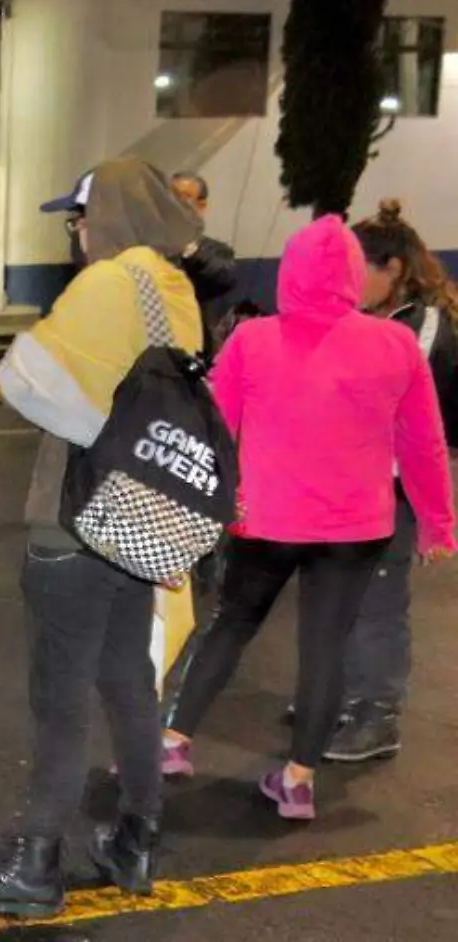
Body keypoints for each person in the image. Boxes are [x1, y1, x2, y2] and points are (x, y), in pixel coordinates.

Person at [0, 159, 204, 918]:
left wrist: (93, 429)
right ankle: (137, 837)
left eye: (80, 218)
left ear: (109, 215)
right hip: (142, 519)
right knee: (126, 678)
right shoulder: (175, 289)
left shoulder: (107, 284)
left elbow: (24, 378)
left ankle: (35, 862)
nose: (78, 233)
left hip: (78, 515)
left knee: (59, 699)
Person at [159, 215, 456, 820]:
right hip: (356, 528)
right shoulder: (394, 343)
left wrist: (192, 512)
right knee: (325, 647)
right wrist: (437, 523)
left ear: (289, 271)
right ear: (351, 275)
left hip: (266, 518)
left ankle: (172, 741)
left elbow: (215, 431)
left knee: (231, 624)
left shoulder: (253, 339)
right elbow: (422, 442)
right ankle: (298, 781)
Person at [325, 200, 458, 763]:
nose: (348, 285)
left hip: (394, 488)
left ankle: (378, 714)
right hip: (358, 483)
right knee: (345, 596)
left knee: (378, 601)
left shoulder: (424, 328)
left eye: (359, 273)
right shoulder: (380, 319)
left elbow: (405, 415)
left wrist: (436, 519)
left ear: (393, 270)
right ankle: (350, 696)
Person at [169, 172, 241, 355]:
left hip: (200, 350)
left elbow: (223, 275)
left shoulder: (216, 251)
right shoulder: (152, 249)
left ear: (201, 206)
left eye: (184, 197)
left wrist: (189, 249)